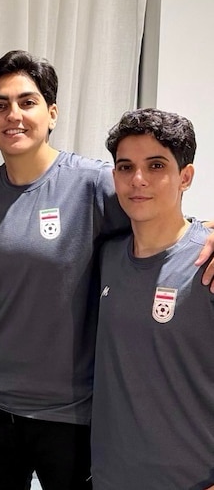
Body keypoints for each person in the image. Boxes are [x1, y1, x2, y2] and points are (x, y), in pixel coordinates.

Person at [0, 51, 214, 490]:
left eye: (27, 102)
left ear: (51, 113)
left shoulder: (95, 183)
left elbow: (160, 216)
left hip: (71, 415)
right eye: (0, 105)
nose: (13, 114)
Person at [92, 109, 214, 488]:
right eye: (126, 167)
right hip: (111, 479)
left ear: (186, 177)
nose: (138, 180)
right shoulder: (105, 256)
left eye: (156, 165)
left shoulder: (207, 263)